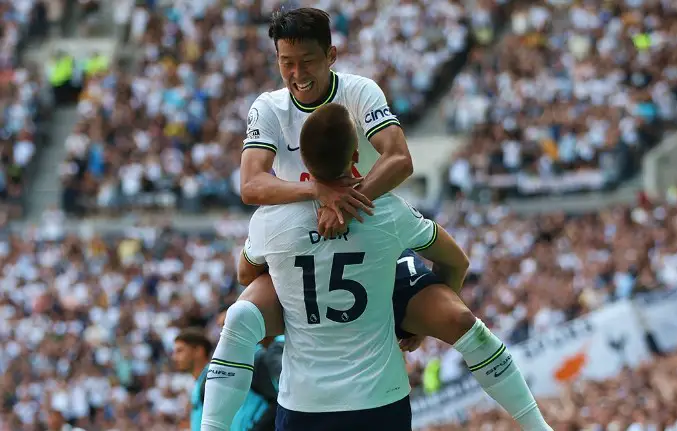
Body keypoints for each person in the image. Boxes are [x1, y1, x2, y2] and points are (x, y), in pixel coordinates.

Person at [205, 7, 551, 431]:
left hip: (368, 233)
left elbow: (400, 158)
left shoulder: (359, 91)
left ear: (331, 55)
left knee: (462, 320)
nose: (296, 73)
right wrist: (320, 192)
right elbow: (250, 184)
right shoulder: (269, 108)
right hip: (300, 243)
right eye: (285, 62)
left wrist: (349, 204)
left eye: (306, 61)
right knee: (239, 318)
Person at [174, 326, 283, 431]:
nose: (174, 357)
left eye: (180, 351)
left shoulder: (218, 376)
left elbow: (277, 401)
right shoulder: (204, 381)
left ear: (198, 351)